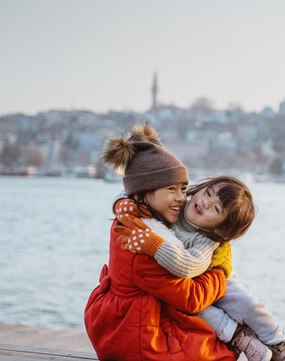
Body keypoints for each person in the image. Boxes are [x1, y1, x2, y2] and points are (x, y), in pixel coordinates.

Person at [111, 125, 285, 361]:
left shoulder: (204, 238)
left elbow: (188, 267)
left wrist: (154, 244)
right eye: (207, 193)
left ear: (219, 228)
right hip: (186, 291)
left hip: (205, 273)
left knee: (246, 304)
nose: (203, 202)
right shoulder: (170, 211)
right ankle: (242, 338)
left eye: (215, 208)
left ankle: (281, 344)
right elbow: (132, 194)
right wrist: (120, 206)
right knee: (202, 311)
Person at [84, 124, 235, 361]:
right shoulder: (140, 240)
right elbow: (190, 298)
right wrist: (219, 273)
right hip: (133, 336)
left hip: (132, 324)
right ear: (144, 192)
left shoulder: (140, 215)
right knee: (222, 355)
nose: (180, 198)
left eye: (184, 189)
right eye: (171, 189)